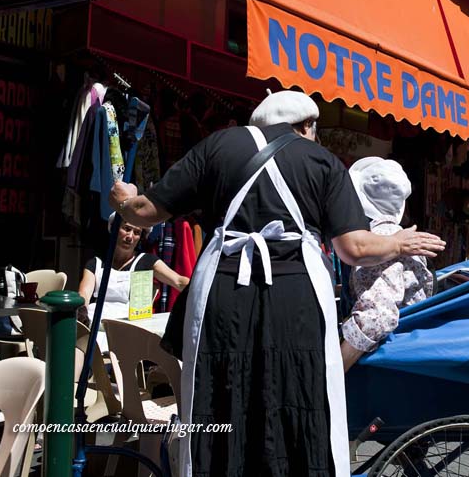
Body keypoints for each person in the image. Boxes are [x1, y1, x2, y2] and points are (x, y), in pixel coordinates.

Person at [109, 90, 445, 477]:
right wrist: (399, 241)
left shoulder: (218, 144)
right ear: (305, 126)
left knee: (219, 394)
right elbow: (355, 248)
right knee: (297, 392)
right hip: (296, 297)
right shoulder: (320, 159)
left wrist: (124, 200)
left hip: (222, 292)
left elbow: (145, 212)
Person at [340, 157, 433, 371]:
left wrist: (334, 372)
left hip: (383, 361)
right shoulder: (400, 236)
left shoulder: (379, 240)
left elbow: (377, 317)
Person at [77, 214, 190, 350]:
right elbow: (84, 293)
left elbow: (178, 281)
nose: (130, 236)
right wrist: (81, 312)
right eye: (126, 229)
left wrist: (205, 289)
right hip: (95, 323)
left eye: (136, 232)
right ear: (114, 229)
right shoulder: (96, 263)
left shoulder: (146, 261)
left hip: (127, 328)